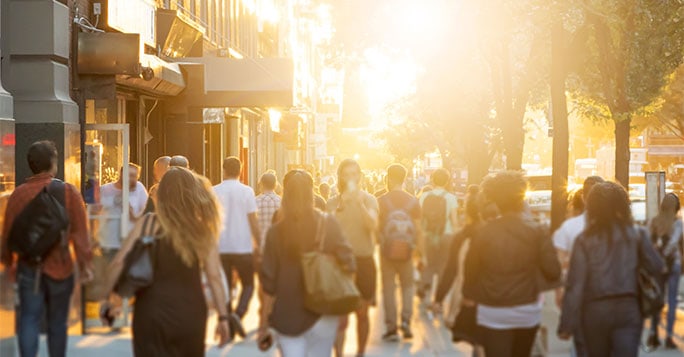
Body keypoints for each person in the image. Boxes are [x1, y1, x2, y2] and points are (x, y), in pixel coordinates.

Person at [102, 167, 231, 356]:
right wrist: (223, 317)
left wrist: (109, 300)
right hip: (190, 313)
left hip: (150, 312)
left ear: (161, 195)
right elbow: (214, 276)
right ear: (192, 194)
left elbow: (119, 263)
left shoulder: (147, 223)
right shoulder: (202, 228)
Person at [1, 140, 93, 357]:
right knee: (57, 322)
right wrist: (85, 263)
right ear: (53, 162)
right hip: (60, 265)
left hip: (29, 267)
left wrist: (8, 263)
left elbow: (8, 234)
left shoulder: (18, 194)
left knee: (28, 319)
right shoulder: (68, 192)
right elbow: (80, 233)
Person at [559, 182, 665, 357]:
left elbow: (575, 285)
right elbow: (657, 267)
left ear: (592, 207)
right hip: (628, 308)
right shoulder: (637, 235)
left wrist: (566, 324)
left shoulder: (584, 240)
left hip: (594, 311)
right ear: (623, 205)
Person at [463, 171, 561, 357]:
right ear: (521, 197)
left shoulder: (483, 233)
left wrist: (468, 295)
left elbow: (471, 271)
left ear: (495, 200)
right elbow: (553, 271)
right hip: (526, 310)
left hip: (492, 311)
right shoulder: (537, 232)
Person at [259, 170, 355, 357]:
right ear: (312, 193)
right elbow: (348, 264)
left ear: (285, 195)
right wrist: (343, 309)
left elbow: (268, 285)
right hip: (324, 313)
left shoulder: (276, 233)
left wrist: (263, 323)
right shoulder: (329, 224)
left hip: (288, 315)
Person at [326, 159, 379, 357]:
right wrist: (341, 205)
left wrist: (359, 204)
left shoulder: (369, 199)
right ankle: (339, 354)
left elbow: (372, 225)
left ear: (360, 176)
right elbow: (327, 231)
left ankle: (361, 352)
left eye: (354, 174)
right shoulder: (333, 202)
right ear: (340, 177)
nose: (351, 178)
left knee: (362, 313)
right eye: (347, 174)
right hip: (340, 263)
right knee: (340, 315)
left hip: (364, 261)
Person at [552, 176, 603, 356]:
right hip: (609, 295)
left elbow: (559, 263)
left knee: (580, 343)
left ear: (583, 198)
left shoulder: (570, 227)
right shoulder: (617, 227)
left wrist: (559, 291)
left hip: (578, 295)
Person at [214, 156, 261, 338]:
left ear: (223, 170)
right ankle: (238, 314)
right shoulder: (247, 192)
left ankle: (227, 320)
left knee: (224, 286)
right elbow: (253, 221)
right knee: (248, 284)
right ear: (240, 170)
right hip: (243, 247)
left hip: (221, 246)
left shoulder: (214, 191)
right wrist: (259, 243)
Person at [376, 164, 422, 341]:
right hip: (407, 251)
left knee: (388, 289)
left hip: (387, 251)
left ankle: (391, 327)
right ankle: (406, 322)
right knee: (407, 287)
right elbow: (418, 230)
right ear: (404, 178)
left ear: (389, 178)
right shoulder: (413, 201)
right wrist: (419, 252)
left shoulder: (381, 200)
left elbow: (377, 227)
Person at [647, 192, 682, 350]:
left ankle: (654, 334)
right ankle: (668, 336)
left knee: (657, 300)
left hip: (657, 266)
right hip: (673, 265)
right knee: (672, 301)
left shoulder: (655, 222)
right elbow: (676, 243)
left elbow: (649, 244)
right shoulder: (678, 224)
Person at [418, 168, 458, 300]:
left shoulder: (423, 196)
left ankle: (424, 287)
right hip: (446, 235)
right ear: (447, 181)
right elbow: (454, 221)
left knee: (429, 263)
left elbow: (419, 218)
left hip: (428, 234)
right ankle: (439, 298)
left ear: (433, 180)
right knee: (442, 265)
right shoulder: (451, 198)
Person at [99, 164, 148, 262]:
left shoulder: (139, 188)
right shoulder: (105, 189)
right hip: (108, 242)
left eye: (134, 176)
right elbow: (95, 212)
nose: (131, 178)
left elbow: (145, 213)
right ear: (121, 174)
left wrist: (131, 212)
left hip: (130, 241)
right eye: (129, 175)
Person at [256, 172, 282, 251]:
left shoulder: (255, 201)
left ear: (261, 184)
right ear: (275, 185)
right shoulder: (281, 202)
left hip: (260, 245)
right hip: (277, 246)